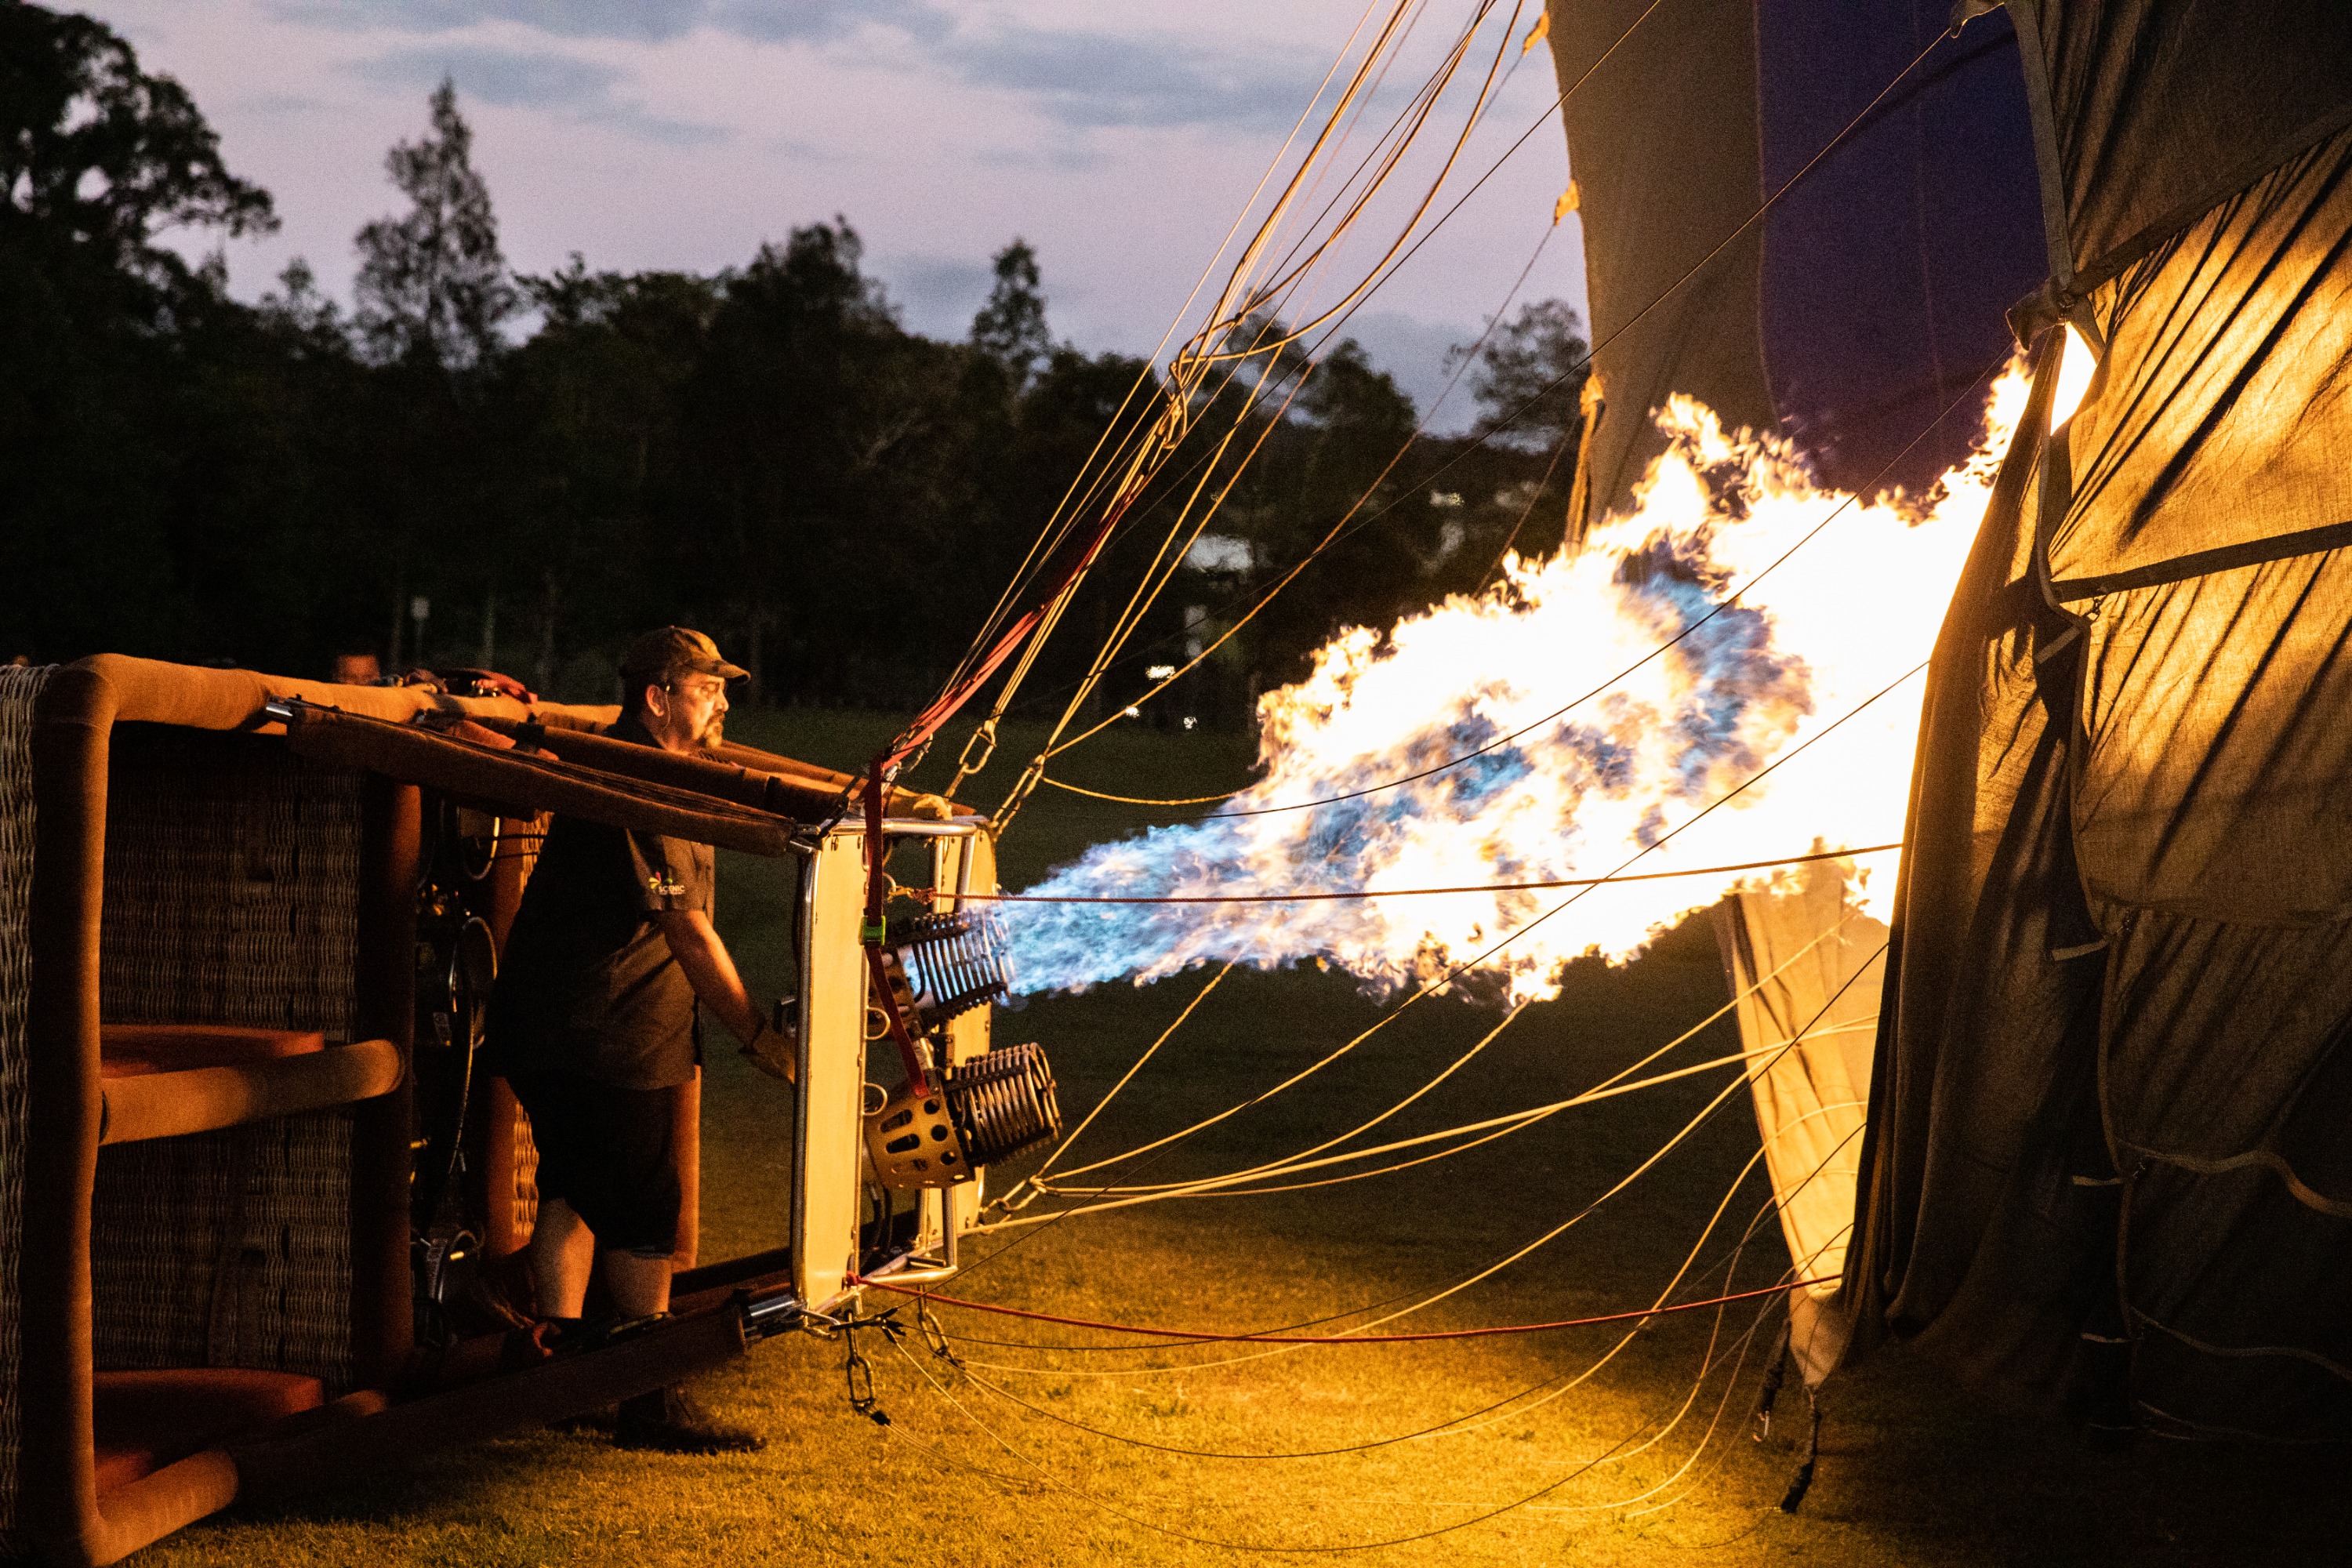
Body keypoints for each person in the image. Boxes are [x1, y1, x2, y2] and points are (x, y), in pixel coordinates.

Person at [486, 626, 793, 1453]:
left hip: (570, 1026)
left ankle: (565, 1366)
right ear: (659, 696)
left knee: (576, 1188)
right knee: (647, 1206)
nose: (725, 699)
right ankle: (645, 1394)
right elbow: (687, 930)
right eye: (707, 686)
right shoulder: (637, 785)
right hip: (601, 1034)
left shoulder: (653, 767)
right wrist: (758, 1033)